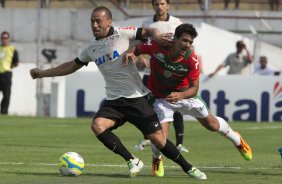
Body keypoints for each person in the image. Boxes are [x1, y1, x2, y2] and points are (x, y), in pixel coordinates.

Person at [30, 6, 207, 179]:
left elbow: (149, 31)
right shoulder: (91, 48)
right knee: (98, 126)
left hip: (137, 98)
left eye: (98, 21)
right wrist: (44, 73)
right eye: (92, 21)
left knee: (159, 141)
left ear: (109, 22)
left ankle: (189, 168)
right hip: (114, 100)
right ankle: (132, 160)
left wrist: (157, 37)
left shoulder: (123, 33)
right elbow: (71, 66)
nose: (94, 25)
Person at [124, 23, 252, 177]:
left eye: (190, 42)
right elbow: (137, 48)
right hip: (161, 98)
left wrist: (180, 96)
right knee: (159, 137)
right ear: (175, 39)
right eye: (184, 40)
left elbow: (194, 88)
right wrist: (131, 54)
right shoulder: (157, 45)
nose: (187, 45)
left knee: (212, 125)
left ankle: (237, 140)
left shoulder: (191, 59)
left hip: (185, 96)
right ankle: (157, 159)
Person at [134, 0, 189, 154]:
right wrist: (140, 57)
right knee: (148, 108)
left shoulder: (177, 23)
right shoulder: (146, 24)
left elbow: (184, 46)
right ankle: (147, 137)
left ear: (168, 5)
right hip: (150, 72)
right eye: (157, 4)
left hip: (171, 72)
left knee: (176, 106)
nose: (159, 6)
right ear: (153, 6)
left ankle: (179, 144)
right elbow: (139, 45)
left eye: (162, 3)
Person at [0, 31, 19, 114]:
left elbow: (16, 62)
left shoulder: (12, 49)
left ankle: (4, 113)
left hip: (6, 74)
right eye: (3, 38)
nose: (4, 40)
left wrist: (10, 66)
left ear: (9, 39)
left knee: (6, 96)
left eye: (6, 38)